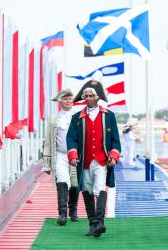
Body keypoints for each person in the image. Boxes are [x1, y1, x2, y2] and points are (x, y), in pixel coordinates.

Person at [67, 80, 121, 237]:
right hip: (84, 161)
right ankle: (93, 224)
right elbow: (71, 139)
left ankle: (99, 222)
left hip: (101, 160)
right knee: (87, 190)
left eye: (91, 96)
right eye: (86, 96)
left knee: (100, 188)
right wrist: (73, 155)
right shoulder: (77, 117)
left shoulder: (109, 116)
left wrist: (113, 156)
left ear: (98, 97)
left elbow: (115, 141)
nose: (88, 98)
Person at [42, 89, 79, 225]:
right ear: (60, 101)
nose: (68, 101)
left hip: (76, 155)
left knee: (75, 183)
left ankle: (73, 211)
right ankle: (62, 213)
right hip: (60, 155)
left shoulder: (79, 116)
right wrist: (46, 163)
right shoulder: (53, 119)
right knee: (62, 182)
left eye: (70, 99)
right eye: (65, 99)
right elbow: (48, 140)